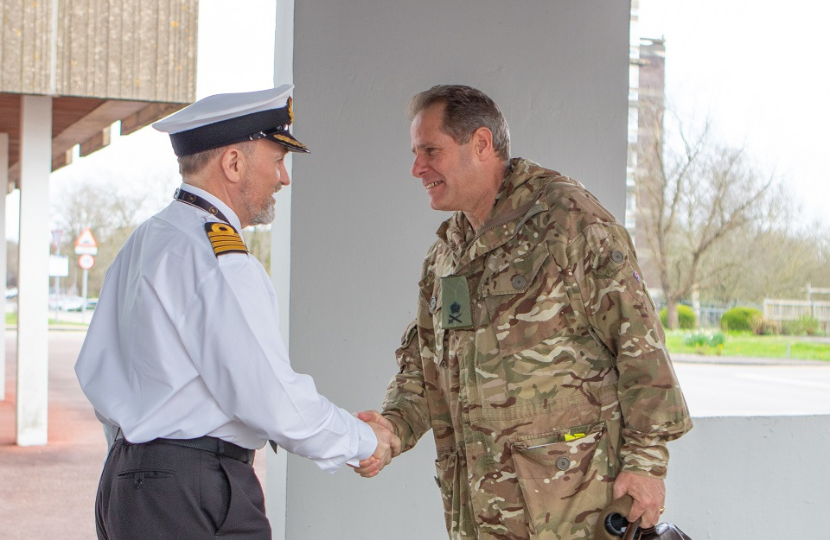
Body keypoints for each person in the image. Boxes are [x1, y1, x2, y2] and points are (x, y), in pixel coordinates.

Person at [355, 85, 692, 540]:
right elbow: (424, 368)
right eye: (416, 154)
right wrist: (390, 430)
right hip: (482, 515)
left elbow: (640, 344)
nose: (417, 168)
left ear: (480, 143)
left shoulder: (568, 220)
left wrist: (647, 462)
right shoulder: (446, 255)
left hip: (574, 511)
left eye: (430, 151)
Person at [74, 85, 399, 540]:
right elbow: (267, 394)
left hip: (129, 484)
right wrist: (363, 441)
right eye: (278, 161)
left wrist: (142, 460)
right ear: (232, 163)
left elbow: (99, 373)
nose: (284, 179)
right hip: (194, 490)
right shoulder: (218, 256)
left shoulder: (145, 241)